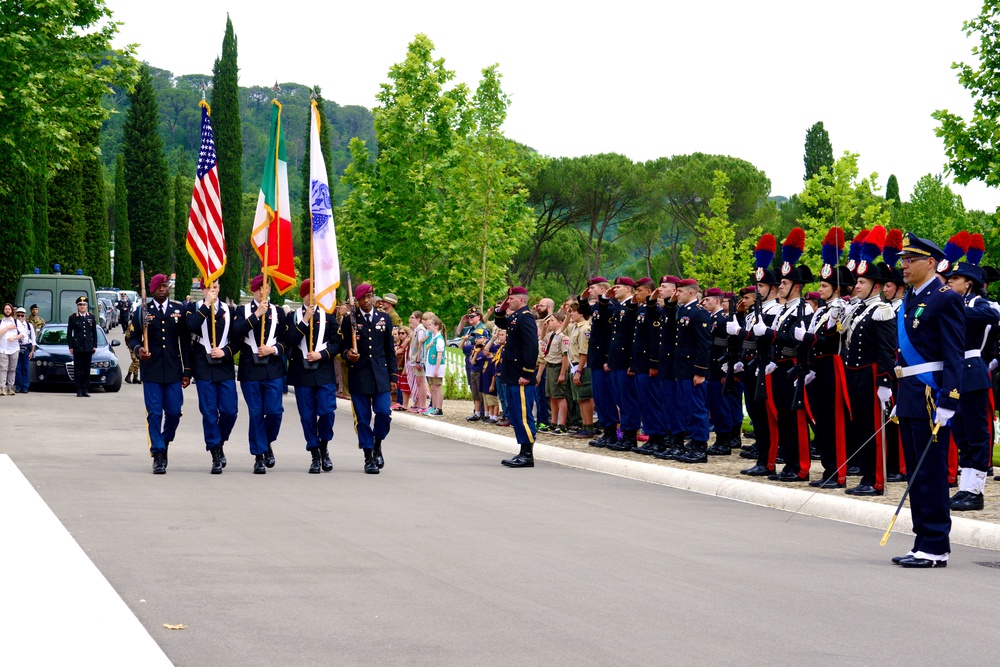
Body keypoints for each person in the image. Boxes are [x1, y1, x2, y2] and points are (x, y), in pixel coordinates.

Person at [890, 233, 964, 568]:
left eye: (910, 260)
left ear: (930, 262)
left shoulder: (945, 298)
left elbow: (953, 353)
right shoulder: (910, 298)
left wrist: (949, 398)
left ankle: (936, 545)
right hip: (909, 393)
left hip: (932, 394)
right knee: (915, 474)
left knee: (931, 472)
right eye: (903, 259)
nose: (903, 265)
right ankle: (922, 541)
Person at [944, 259, 998, 511]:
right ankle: (965, 488)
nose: (950, 282)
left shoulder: (977, 303)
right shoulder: (953, 303)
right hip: (955, 372)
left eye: (955, 279)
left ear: (969, 284)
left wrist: (956, 310)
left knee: (976, 434)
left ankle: (975, 491)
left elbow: (993, 314)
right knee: (961, 433)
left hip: (972, 368)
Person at [129, 274, 192, 474]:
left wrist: (187, 370)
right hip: (152, 371)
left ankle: (164, 441)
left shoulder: (178, 310)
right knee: (155, 414)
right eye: (160, 286)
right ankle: (157, 454)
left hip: (173, 371)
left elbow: (185, 342)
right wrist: (139, 350)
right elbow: (131, 338)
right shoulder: (142, 312)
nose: (163, 289)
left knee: (174, 412)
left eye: (166, 286)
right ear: (153, 289)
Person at [286, 279, 346, 474]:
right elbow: (289, 341)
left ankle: (324, 445)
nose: (312, 295)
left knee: (328, 411)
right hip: (302, 372)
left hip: (323, 371)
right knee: (307, 415)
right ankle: (314, 452)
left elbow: (338, 342)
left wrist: (322, 354)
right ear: (303, 295)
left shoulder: (328, 316)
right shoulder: (294, 316)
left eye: (315, 292)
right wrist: (305, 320)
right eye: (309, 292)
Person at [232, 274, 288, 475]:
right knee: (256, 412)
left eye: (266, 288)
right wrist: (256, 315)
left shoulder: (279, 312)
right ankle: (258, 456)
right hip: (250, 370)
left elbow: (286, 340)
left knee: (274, 411)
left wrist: (274, 350)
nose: (262, 292)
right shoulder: (242, 310)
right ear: (253, 291)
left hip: (272, 368)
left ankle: (266, 442)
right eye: (259, 289)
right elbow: (236, 332)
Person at [341, 282, 398, 474]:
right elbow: (342, 347)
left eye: (370, 296)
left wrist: (393, 376)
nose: (367, 301)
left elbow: (390, 350)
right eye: (363, 298)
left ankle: (377, 443)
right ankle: (368, 457)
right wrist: (349, 353)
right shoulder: (350, 320)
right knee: (363, 419)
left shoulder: (384, 318)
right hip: (359, 375)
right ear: (357, 300)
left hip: (380, 375)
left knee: (383, 413)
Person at [185, 280, 238, 475]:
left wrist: (226, 351)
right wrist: (207, 305)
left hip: (223, 365)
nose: (213, 289)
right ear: (203, 289)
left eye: (216, 285)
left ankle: (220, 440)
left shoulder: (229, 310)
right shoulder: (194, 307)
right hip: (203, 365)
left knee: (230, 411)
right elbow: (191, 326)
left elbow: (237, 340)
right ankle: (215, 451)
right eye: (209, 286)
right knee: (209, 411)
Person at [494, 286, 540, 467]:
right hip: (511, 373)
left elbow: (531, 347)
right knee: (515, 414)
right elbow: (500, 323)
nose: (508, 301)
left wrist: (527, 372)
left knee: (523, 415)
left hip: (521, 374)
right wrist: (502, 308)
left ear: (521, 300)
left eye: (511, 298)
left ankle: (528, 454)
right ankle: (522, 450)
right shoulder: (515, 316)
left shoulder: (526, 317)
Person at [672, 279, 713, 463]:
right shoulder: (683, 312)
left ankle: (700, 446)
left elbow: (704, 345)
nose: (676, 294)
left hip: (692, 370)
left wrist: (700, 371)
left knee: (697, 408)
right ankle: (693, 442)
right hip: (682, 368)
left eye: (679, 291)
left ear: (691, 293)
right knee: (686, 407)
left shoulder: (699, 313)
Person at [567, 303, 596, 440]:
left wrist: (579, 371)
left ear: (581, 313)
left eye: (573, 311)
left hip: (581, 366)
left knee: (584, 397)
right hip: (574, 365)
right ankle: (584, 425)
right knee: (579, 398)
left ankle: (589, 426)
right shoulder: (575, 328)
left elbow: (584, 352)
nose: (571, 314)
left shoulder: (585, 328)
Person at [539, 311, 570, 434]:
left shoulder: (563, 337)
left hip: (558, 367)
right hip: (549, 367)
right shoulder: (551, 335)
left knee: (560, 396)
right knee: (552, 396)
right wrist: (545, 328)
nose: (550, 323)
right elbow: (542, 339)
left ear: (560, 323)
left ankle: (562, 424)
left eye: (552, 321)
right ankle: (553, 422)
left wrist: (562, 373)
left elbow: (565, 356)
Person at [459, 307, 489, 421]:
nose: (469, 318)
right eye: (469, 316)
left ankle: (482, 411)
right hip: (470, 358)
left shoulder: (482, 328)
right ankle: (477, 411)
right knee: (473, 387)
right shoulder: (470, 329)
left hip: (479, 359)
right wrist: (463, 321)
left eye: (472, 316)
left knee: (480, 386)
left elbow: (485, 345)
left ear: (479, 317)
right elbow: (458, 333)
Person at [67, 296, 98, 398]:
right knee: (78, 369)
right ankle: (79, 389)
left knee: (86, 369)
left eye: (84, 305)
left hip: (88, 347)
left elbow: (94, 332)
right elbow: (69, 333)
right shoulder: (73, 317)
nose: (82, 306)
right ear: (77, 306)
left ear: (87, 306)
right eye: (80, 305)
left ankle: (85, 389)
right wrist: (71, 346)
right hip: (77, 347)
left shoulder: (91, 317)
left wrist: (95, 345)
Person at [422, 313, 446, 416]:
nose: (429, 326)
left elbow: (439, 355)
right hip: (430, 366)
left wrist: (436, 369)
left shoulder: (439, 339)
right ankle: (434, 407)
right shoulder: (434, 338)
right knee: (432, 387)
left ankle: (439, 408)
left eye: (431, 324)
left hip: (436, 366)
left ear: (436, 326)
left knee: (437, 387)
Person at [407, 311, 429, 413]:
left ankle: (422, 404)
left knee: (421, 383)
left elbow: (421, 346)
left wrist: (418, 360)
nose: (411, 319)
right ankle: (419, 403)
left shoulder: (420, 330)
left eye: (413, 317)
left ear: (418, 319)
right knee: (418, 382)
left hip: (418, 359)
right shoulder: (416, 330)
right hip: (414, 359)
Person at [13, 307, 35, 393]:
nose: (20, 317)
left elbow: (33, 339)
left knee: (26, 368)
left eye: (22, 315)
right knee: (17, 368)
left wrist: (32, 351)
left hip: (26, 347)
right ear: (16, 316)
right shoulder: (13, 326)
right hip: (16, 347)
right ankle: (18, 386)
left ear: (25, 316)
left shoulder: (29, 325)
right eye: (18, 315)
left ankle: (25, 387)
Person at [0, 303, 20, 396]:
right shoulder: (1, 322)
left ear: (12, 310)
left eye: (9, 309)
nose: (7, 310)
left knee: (12, 368)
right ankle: (2, 388)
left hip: (14, 348)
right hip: (3, 348)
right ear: (3, 311)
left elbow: (23, 334)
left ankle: (10, 387)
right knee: (3, 368)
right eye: (6, 309)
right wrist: (8, 327)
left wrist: (14, 338)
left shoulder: (16, 322)